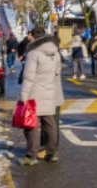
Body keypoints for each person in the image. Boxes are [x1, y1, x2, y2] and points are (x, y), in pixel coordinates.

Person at [17, 26, 64, 166]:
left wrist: (23, 96)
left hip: (35, 93)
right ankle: (52, 153)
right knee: (50, 124)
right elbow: (57, 72)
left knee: (31, 125)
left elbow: (29, 77)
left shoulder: (33, 53)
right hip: (50, 92)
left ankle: (31, 156)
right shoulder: (55, 53)